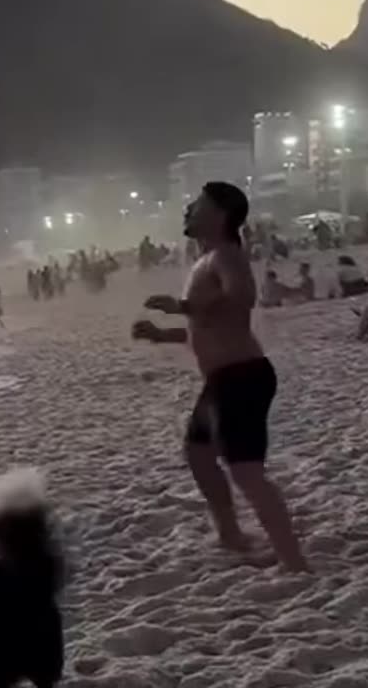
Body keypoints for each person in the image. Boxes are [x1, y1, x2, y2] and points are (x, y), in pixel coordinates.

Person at [132, 183, 308, 573]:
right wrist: (163, 334)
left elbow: (243, 296)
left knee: (246, 470)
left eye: (198, 205)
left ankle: (293, 560)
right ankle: (229, 532)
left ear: (221, 215)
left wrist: (181, 307)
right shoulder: (207, 260)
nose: (188, 210)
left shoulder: (227, 255)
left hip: (242, 377)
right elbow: (208, 326)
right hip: (224, 380)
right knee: (198, 453)